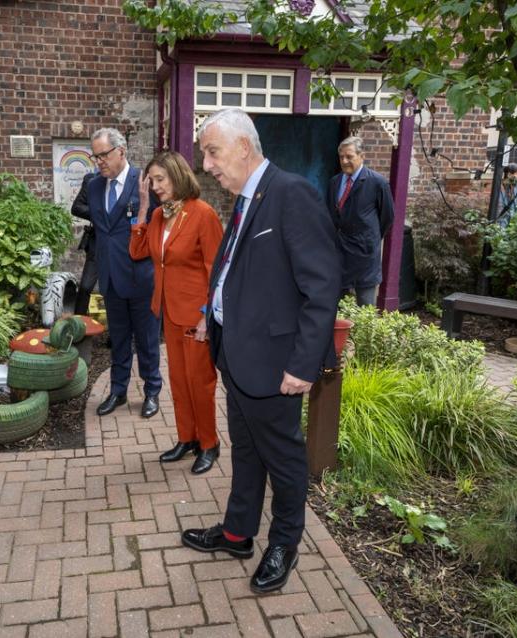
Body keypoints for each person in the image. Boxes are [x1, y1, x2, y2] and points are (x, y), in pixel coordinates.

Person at [180, 108, 341, 595]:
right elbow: (234, 268)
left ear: (244, 147)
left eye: (212, 151)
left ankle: (285, 543)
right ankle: (237, 533)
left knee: (284, 460)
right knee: (247, 453)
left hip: (275, 365)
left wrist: (303, 363)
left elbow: (322, 285)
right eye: (205, 153)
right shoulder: (247, 197)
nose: (206, 164)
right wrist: (213, 312)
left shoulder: (291, 194)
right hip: (236, 355)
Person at [130, 151, 224, 474]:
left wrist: (205, 315)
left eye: (160, 179)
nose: (155, 186)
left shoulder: (203, 214)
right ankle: (188, 438)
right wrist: (143, 208)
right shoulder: (158, 216)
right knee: (179, 380)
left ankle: (210, 444)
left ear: (178, 175)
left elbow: (218, 270)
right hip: (168, 311)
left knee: (200, 382)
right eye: (151, 181)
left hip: (196, 315)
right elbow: (138, 250)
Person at [87, 128, 162, 419]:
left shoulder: (144, 181)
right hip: (110, 278)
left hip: (141, 277)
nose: (99, 162)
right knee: (117, 339)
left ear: (121, 151)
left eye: (103, 155)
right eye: (95, 157)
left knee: (146, 340)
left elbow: (159, 226)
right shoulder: (93, 186)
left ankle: (152, 391)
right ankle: (118, 391)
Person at [326, 136, 394, 306]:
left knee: (365, 307)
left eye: (349, 156)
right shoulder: (334, 182)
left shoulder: (377, 183)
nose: (344, 161)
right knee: (335, 307)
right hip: (339, 254)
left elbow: (387, 217)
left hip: (365, 255)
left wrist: (368, 239)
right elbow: (330, 216)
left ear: (362, 156)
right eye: (341, 157)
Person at [70, 171, 99, 315]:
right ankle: (77, 326)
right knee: (85, 287)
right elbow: (77, 208)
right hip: (97, 242)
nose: (101, 161)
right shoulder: (92, 179)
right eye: (98, 157)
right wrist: (102, 212)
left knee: (117, 292)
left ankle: (117, 336)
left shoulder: (130, 179)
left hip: (121, 245)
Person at [496, 162, 517, 228]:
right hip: (501, 221)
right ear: (509, 174)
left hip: (513, 221)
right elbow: (500, 208)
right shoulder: (501, 187)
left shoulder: (516, 187)